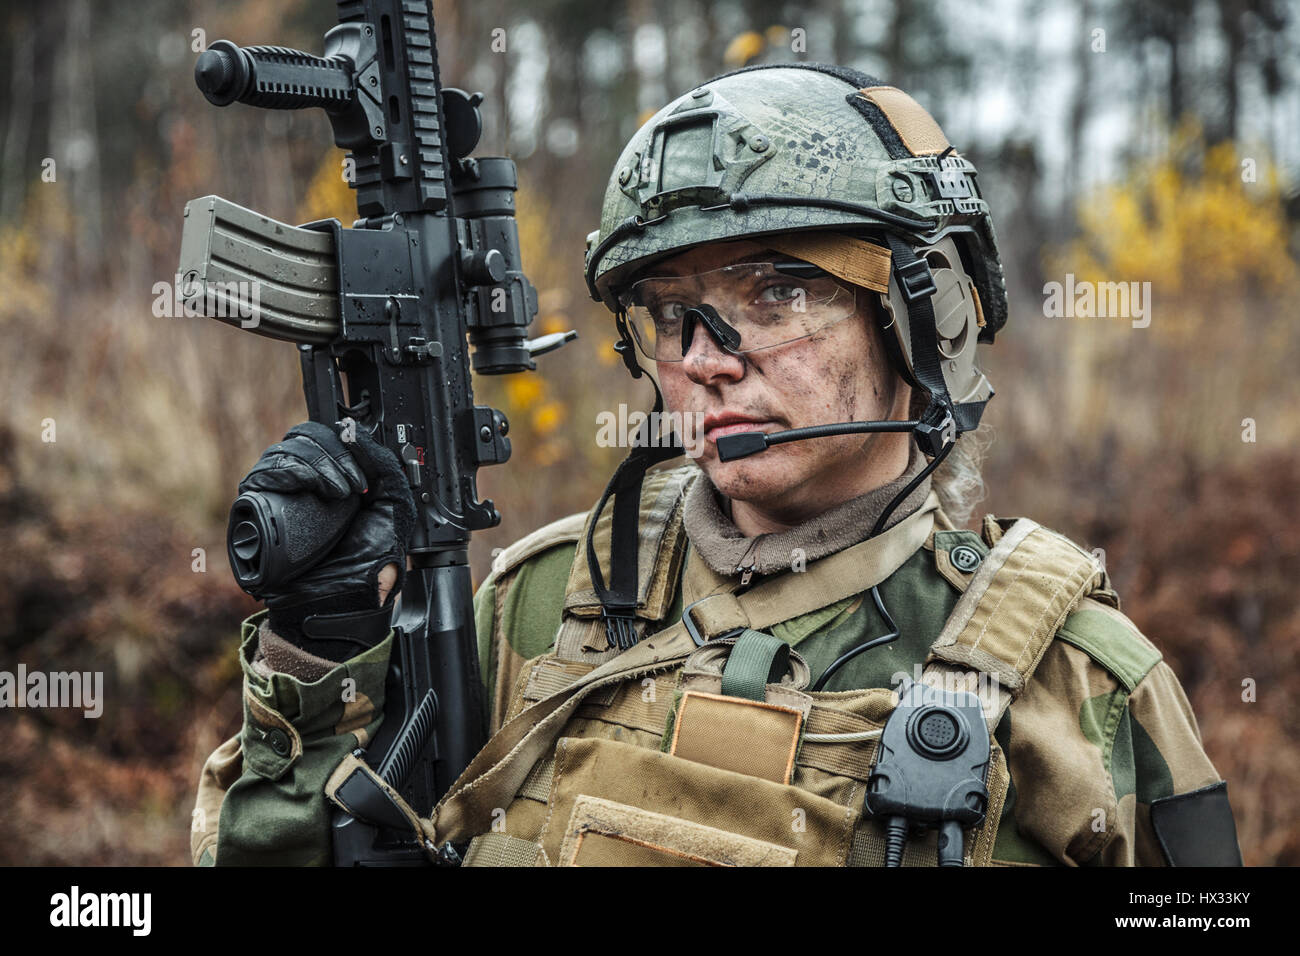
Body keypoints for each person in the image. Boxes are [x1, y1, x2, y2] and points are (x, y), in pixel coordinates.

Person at [193, 64, 1241, 867]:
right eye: (670, 314)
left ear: (923, 316)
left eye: (774, 294)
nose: (701, 357)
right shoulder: (538, 605)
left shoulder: (1079, 681)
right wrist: (320, 647)